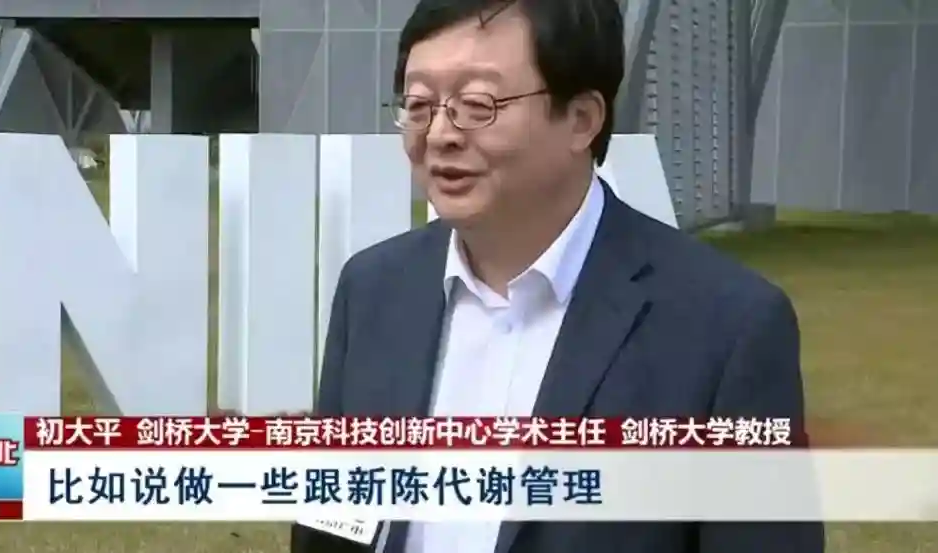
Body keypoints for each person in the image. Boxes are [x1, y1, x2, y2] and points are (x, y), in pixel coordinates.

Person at [291, 0, 825, 552]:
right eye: (420, 104)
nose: (441, 133)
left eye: (478, 105)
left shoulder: (727, 328)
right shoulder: (372, 291)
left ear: (582, 119)